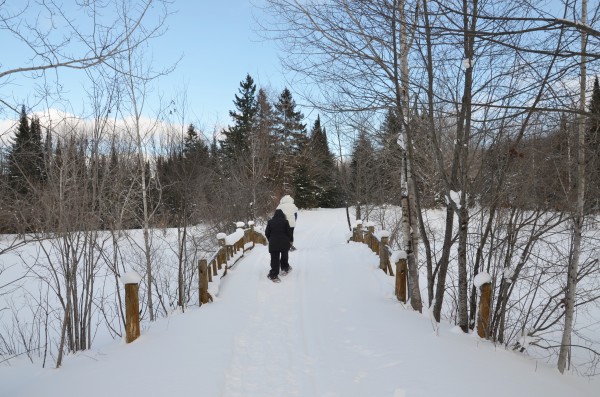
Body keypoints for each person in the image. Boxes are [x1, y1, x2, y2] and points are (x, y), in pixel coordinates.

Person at [264, 209, 293, 282]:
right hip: (284, 243)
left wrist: (270, 239)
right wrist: (289, 240)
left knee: (274, 258)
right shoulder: (285, 222)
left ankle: (274, 273)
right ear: (283, 215)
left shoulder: (270, 222)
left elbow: (267, 233)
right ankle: (285, 268)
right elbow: (289, 233)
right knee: (284, 256)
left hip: (273, 243)